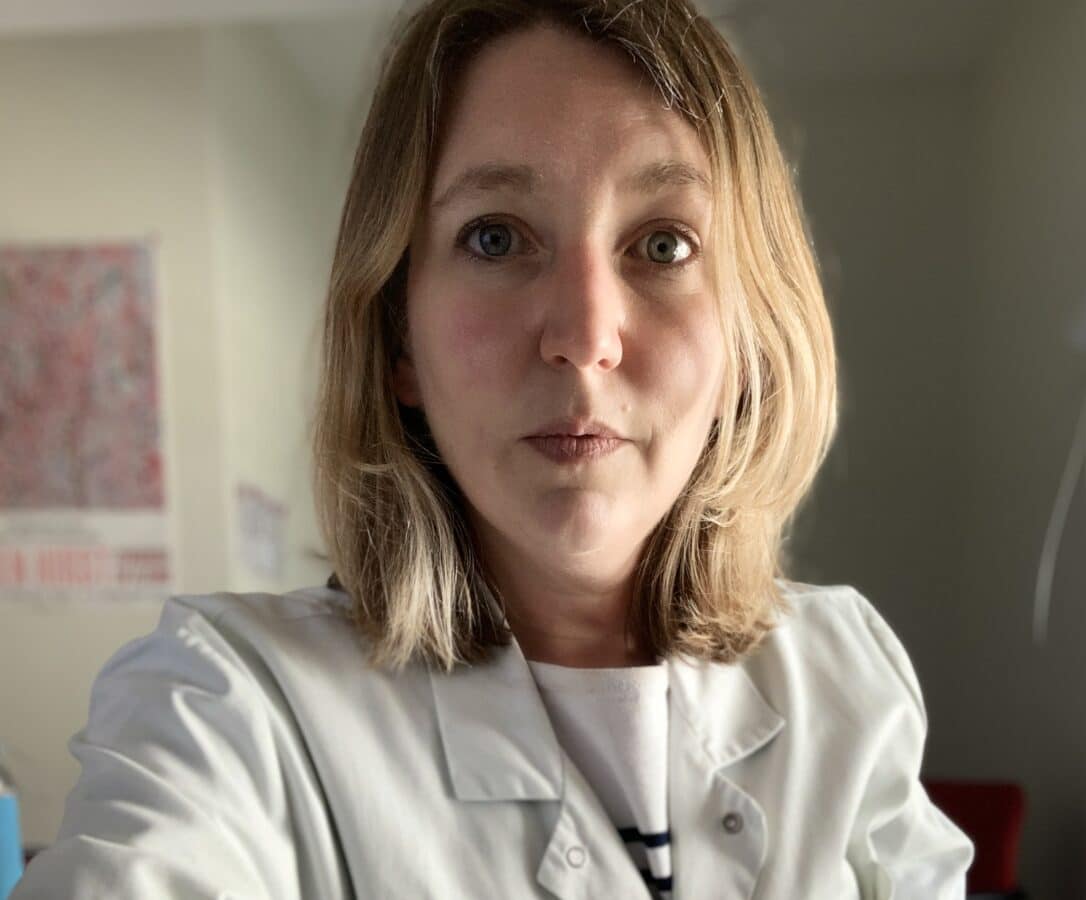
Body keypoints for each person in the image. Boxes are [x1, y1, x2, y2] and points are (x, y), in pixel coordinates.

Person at [13, 0, 975, 897]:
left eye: (665, 245)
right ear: (400, 340)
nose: (583, 336)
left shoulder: (842, 671)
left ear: (745, 340)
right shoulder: (223, 704)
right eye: (495, 239)